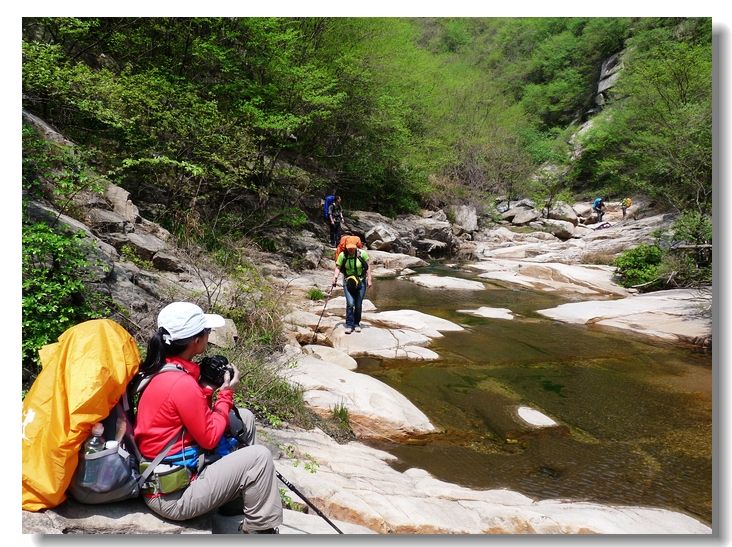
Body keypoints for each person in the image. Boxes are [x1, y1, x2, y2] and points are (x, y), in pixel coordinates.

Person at [133, 302, 283, 533]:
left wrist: (206, 389)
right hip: (172, 496)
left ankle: (234, 500)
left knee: (244, 418)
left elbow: (188, 419)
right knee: (259, 457)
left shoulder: (164, 368)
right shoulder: (180, 383)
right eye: (207, 331)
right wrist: (226, 394)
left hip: (172, 471)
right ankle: (261, 531)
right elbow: (210, 438)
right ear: (196, 341)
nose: (209, 335)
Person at [331, 242, 372, 334]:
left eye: (352, 248)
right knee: (350, 303)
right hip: (348, 281)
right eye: (349, 248)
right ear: (346, 248)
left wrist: (369, 279)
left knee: (358, 304)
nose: (350, 250)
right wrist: (335, 277)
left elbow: (368, 267)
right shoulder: (343, 255)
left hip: (361, 281)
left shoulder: (362, 254)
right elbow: (338, 267)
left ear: (355, 247)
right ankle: (349, 325)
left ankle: (356, 324)